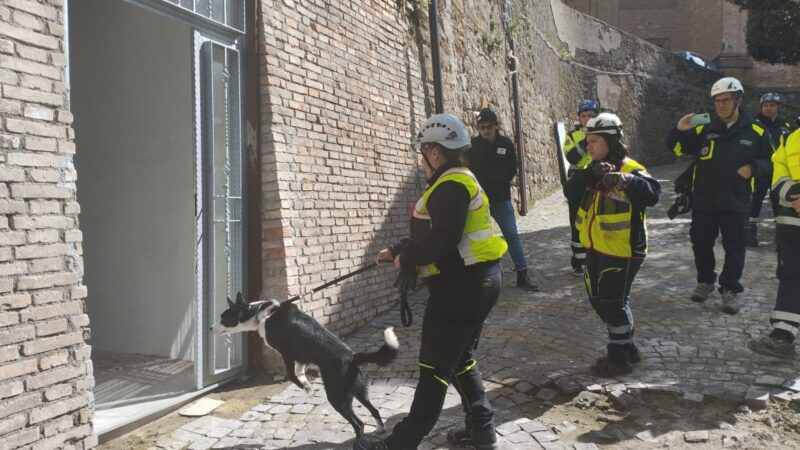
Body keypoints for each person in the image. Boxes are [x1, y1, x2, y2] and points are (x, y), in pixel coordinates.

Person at [354, 113, 507, 450]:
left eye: (423, 151)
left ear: (435, 152)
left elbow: (443, 240)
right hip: (475, 284)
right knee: (461, 360)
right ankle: (482, 432)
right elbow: (435, 231)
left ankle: (401, 444)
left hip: (461, 290)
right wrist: (394, 250)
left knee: (434, 368)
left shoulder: (450, 184)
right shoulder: (456, 180)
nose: (422, 159)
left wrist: (406, 258)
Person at [564, 113, 661, 376]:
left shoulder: (631, 168)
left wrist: (623, 180)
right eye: (588, 141)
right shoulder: (592, 166)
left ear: (610, 141)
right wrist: (589, 175)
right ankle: (628, 348)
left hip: (624, 249)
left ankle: (618, 359)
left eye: (594, 141)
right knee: (598, 299)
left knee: (613, 302)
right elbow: (570, 192)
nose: (589, 147)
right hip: (595, 246)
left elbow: (653, 194)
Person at [666, 77, 772, 314]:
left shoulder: (756, 131)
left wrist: (753, 167)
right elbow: (676, 150)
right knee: (701, 242)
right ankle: (705, 281)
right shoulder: (704, 128)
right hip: (704, 199)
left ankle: (730, 289)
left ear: (738, 101)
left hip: (737, 200)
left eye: (726, 100)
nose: (721, 105)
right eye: (717, 101)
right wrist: (679, 131)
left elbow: (772, 162)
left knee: (735, 247)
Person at [468, 108, 539, 291]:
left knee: (512, 236)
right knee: (477, 239)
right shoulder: (473, 146)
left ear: (496, 126)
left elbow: (512, 168)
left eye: (488, 127)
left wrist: (500, 182)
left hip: (501, 199)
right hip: (479, 202)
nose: (485, 131)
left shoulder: (505, 144)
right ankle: (478, 277)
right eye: (481, 127)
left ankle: (522, 274)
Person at [748, 128, 800, 359]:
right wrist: (796, 194)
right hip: (791, 223)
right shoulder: (791, 137)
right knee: (790, 276)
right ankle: (782, 335)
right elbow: (777, 176)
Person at [748, 92, 793, 246]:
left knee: (779, 203)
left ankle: (782, 236)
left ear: (778, 107)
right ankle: (749, 234)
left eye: (772, 105)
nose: (768, 108)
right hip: (759, 170)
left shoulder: (785, 126)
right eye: (765, 105)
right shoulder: (753, 124)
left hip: (778, 171)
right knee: (754, 201)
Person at [563, 99, 599, 275]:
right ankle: (578, 261)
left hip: (596, 182)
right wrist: (586, 140)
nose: (587, 119)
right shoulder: (571, 136)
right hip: (577, 184)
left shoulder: (602, 134)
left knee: (594, 219)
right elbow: (571, 157)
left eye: (590, 115)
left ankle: (594, 257)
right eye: (583, 116)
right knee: (576, 221)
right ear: (579, 117)